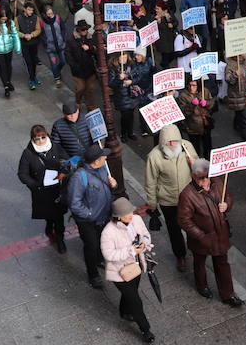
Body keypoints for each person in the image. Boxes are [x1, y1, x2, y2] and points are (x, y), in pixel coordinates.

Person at [177, 159, 243, 307]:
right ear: (193, 176)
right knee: (199, 262)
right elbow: (184, 220)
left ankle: (228, 294)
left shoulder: (218, 182)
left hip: (220, 234)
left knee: (222, 264)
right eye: (201, 177)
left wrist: (227, 205)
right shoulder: (187, 195)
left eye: (207, 176)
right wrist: (201, 236)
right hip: (202, 239)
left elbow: (229, 197)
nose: (205, 180)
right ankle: (202, 286)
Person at [100, 197, 156, 343]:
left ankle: (124, 311)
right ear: (118, 216)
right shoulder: (108, 232)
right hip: (119, 272)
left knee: (131, 293)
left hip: (136, 266)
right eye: (127, 213)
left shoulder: (136, 219)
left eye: (131, 211)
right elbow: (109, 255)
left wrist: (145, 243)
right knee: (136, 301)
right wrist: (131, 251)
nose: (131, 214)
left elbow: (145, 234)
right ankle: (146, 330)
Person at [144, 123, 196, 272]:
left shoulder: (187, 147)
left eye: (175, 141)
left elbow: (200, 170)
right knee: (174, 230)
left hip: (189, 198)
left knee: (193, 225)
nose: (173, 144)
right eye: (169, 142)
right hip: (168, 201)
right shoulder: (154, 156)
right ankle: (180, 256)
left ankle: (195, 250)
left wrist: (195, 164)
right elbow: (150, 181)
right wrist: (152, 204)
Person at [67, 143, 117, 288]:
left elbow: (106, 190)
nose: (106, 158)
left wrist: (113, 186)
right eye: (103, 156)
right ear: (96, 161)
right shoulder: (79, 177)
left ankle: (99, 259)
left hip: (103, 216)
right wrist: (89, 214)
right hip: (88, 220)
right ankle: (93, 275)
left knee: (102, 241)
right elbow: (74, 203)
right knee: (91, 246)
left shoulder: (102, 169)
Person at [17, 124, 68, 253]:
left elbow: (66, 160)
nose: (40, 141)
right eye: (37, 139)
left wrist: (64, 170)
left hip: (57, 189)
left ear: (47, 136)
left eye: (43, 137)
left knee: (59, 216)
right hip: (41, 191)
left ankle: (60, 238)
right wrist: (35, 185)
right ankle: (49, 223)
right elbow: (22, 174)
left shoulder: (55, 147)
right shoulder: (28, 153)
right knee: (48, 213)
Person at [0, 8, 21, 97]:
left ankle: (8, 81)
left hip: (9, 49)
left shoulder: (10, 23)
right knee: (2, 67)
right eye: (2, 19)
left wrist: (17, 47)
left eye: (5, 19)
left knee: (9, 66)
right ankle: (5, 86)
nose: (4, 21)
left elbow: (15, 35)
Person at [177, 79, 216, 158]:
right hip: (192, 127)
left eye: (194, 85)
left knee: (207, 145)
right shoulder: (183, 96)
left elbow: (212, 102)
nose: (191, 88)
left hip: (205, 124)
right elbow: (183, 112)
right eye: (190, 85)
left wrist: (207, 103)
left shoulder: (204, 91)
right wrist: (192, 105)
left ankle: (208, 160)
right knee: (195, 148)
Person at [65, 19, 98, 110]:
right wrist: (74, 66)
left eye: (86, 29)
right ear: (78, 30)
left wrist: (89, 48)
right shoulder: (71, 40)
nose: (85, 31)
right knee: (80, 88)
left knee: (90, 89)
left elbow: (96, 51)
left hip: (90, 69)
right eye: (83, 30)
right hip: (78, 71)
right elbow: (68, 55)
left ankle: (90, 106)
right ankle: (78, 102)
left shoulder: (90, 38)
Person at [39, 5, 67, 87]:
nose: (51, 15)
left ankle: (57, 71)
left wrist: (63, 38)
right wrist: (45, 42)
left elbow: (63, 28)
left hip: (60, 44)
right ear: (44, 14)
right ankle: (57, 78)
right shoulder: (41, 21)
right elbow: (41, 34)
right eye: (48, 14)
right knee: (53, 64)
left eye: (51, 13)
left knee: (63, 61)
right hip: (50, 47)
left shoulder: (57, 18)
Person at [16, 2, 43, 89]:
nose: (31, 11)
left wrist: (32, 35)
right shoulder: (18, 19)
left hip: (34, 42)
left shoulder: (36, 18)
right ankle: (31, 79)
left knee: (34, 60)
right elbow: (16, 31)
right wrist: (23, 35)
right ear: (24, 9)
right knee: (28, 62)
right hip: (24, 43)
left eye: (32, 10)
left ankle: (34, 76)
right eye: (29, 10)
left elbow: (38, 29)